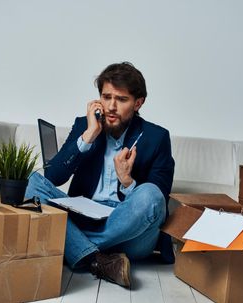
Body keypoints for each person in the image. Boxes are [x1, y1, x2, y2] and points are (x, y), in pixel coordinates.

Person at [26, 62, 175, 288]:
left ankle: (74, 244)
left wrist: (128, 182)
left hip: (131, 234)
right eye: (106, 97)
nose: (111, 106)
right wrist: (88, 137)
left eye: (122, 99)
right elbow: (53, 176)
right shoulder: (84, 126)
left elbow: (157, 204)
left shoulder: (156, 137)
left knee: (151, 194)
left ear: (138, 103)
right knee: (34, 182)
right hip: (85, 214)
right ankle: (98, 260)